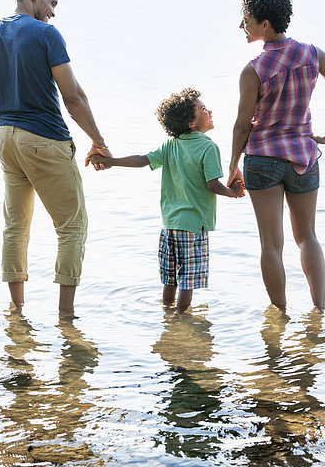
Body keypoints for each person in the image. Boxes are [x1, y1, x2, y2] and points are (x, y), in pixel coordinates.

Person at [0, 0, 111, 317]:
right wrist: (99, 141)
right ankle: (66, 315)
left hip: (6, 140)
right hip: (45, 138)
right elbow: (73, 97)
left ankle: (16, 311)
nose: (53, 13)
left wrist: (6, 134)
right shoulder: (46, 34)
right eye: (52, 3)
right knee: (72, 226)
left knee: (16, 226)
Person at [228, 0, 325, 313]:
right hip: (304, 156)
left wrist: (231, 167)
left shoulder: (253, 69)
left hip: (263, 159)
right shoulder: (312, 54)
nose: (243, 26)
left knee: (271, 245)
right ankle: (319, 311)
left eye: (247, 20)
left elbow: (242, 125)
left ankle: (279, 315)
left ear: (264, 25)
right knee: (307, 236)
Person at [90, 88, 244, 313]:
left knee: (170, 276)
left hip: (169, 224)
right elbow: (212, 184)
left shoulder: (170, 145)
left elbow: (142, 160)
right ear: (191, 123)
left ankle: (166, 313)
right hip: (193, 225)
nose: (209, 111)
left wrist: (112, 162)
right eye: (203, 109)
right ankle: (182, 320)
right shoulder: (208, 147)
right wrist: (232, 192)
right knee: (188, 278)